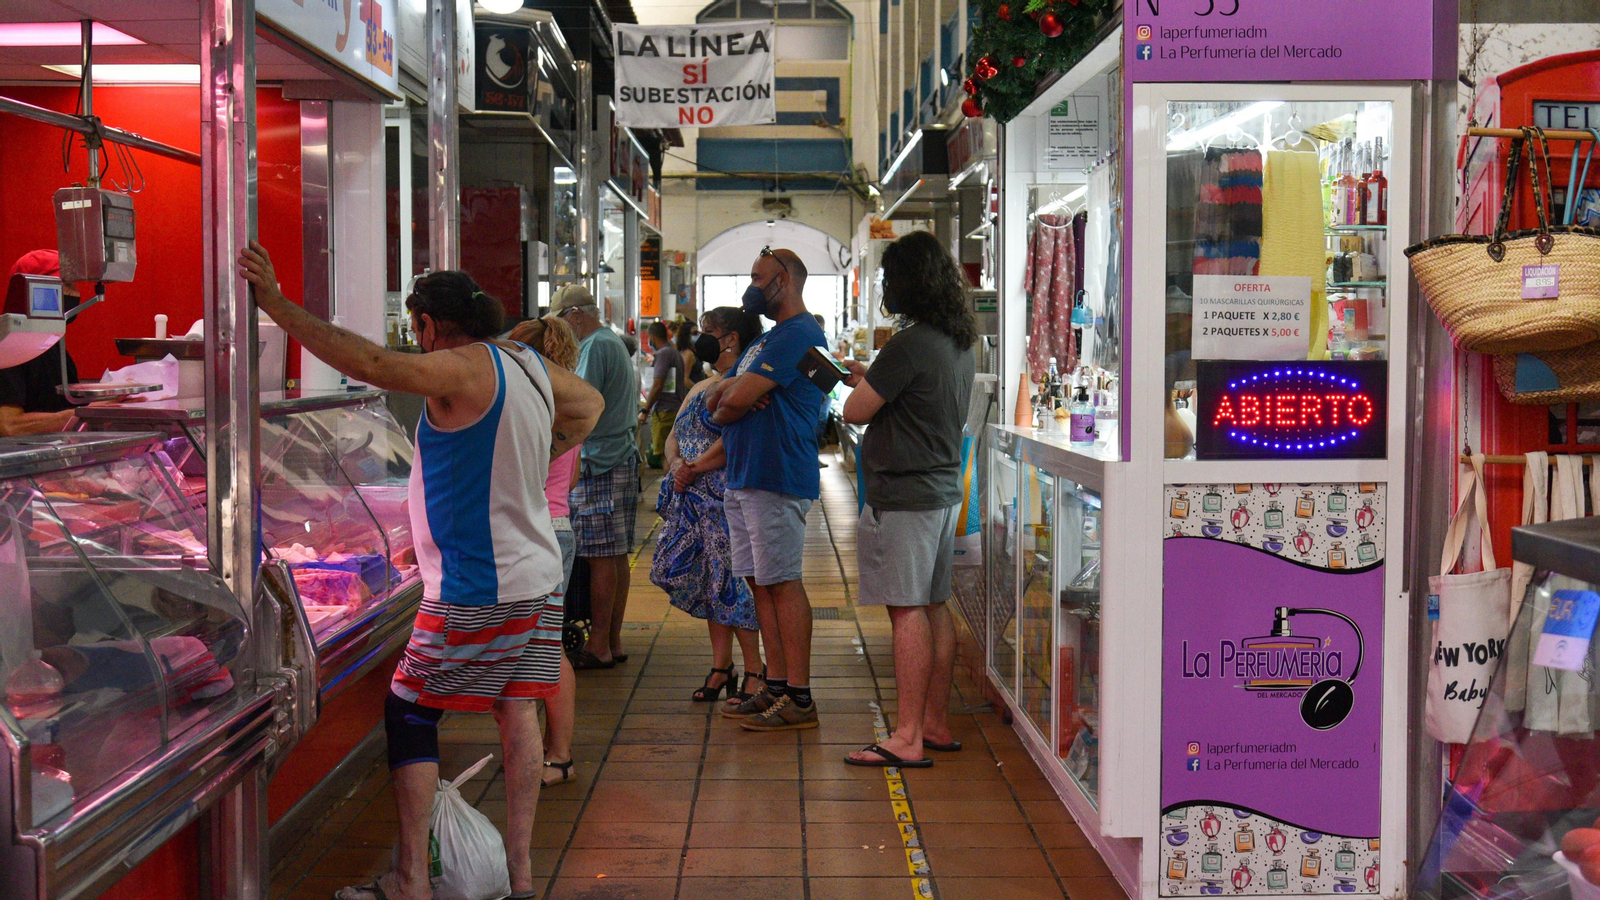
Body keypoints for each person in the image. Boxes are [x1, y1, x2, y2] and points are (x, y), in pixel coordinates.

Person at [238, 243, 603, 900]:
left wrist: (276, 305)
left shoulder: (458, 368)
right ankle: (520, 878)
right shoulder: (521, 361)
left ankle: (412, 882)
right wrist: (525, 457)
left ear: (428, 325)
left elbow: (370, 362)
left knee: (409, 713)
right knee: (517, 710)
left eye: (417, 329)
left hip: (478, 584)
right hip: (536, 576)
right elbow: (589, 405)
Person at [840, 231, 977, 769]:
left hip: (906, 495)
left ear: (906, 282)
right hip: (942, 490)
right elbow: (907, 397)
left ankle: (906, 736)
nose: (883, 287)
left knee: (906, 611)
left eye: (888, 277)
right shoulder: (958, 340)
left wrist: (860, 384)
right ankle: (935, 724)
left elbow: (855, 411)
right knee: (933, 604)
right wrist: (871, 377)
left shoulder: (908, 344)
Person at [706, 248, 829, 732]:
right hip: (746, 474)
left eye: (758, 278)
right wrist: (732, 397)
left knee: (782, 581)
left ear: (783, 280)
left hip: (775, 474)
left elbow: (731, 396)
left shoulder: (799, 335)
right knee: (760, 583)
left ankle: (799, 696)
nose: (751, 287)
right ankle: (774, 686)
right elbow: (721, 396)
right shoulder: (771, 339)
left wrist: (735, 396)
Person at [650, 307, 765, 704]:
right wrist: (677, 464)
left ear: (731, 338)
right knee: (710, 581)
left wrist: (694, 467)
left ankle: (755, 670)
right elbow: (675, 435)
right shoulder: (702, 386)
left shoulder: (747, 386)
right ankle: (722, 665)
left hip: (724, 497)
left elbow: (737, 440)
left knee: (736, 584)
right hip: (694, 498)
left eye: (709, 332)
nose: (702, 339)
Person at [507, 313, 582, 787]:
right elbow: (570, 480)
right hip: (558, 527)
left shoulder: (526, 407)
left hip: (539, 532)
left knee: (545, 650)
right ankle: (541, 750)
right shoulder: (570, 405)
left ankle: (559, 755)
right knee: (539, 647)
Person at [551, 284, 640, 669]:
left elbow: (575, 403)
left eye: (559, 322)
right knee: (615, 557)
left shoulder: (596, 346)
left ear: (574, 315)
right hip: (616, 458)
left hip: (600, 462)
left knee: (601, 558)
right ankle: (612, 640)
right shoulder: (609, 341)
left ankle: (599, 645)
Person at [0, 251, 80, 436]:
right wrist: (84, 415)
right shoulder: (7, 347)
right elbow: (9, 425)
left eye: (74, 285)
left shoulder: (53, 344)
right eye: (67, 285)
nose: (75, 293)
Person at [640, 320, 685, 469]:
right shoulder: (673, 351)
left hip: (665, 412)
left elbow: (658, 384)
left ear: (651, 337)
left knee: (667, 455)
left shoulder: (663, 354)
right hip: (673, 408)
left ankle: (669, 488)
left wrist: (645, 410)